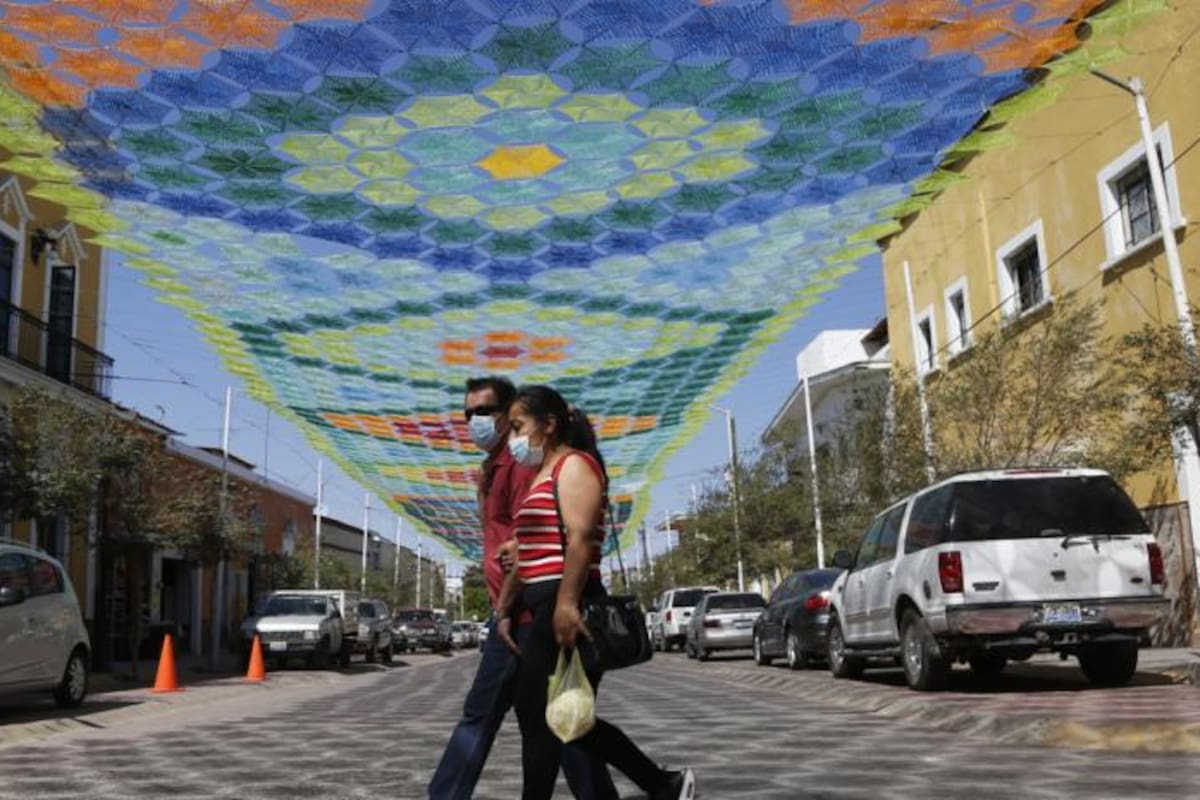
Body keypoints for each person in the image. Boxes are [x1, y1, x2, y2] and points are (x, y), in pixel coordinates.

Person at [497, 385, 696, 800]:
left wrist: (567, 605)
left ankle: (664, 785)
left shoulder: (574, 466)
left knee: (541, 715)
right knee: (563, 720)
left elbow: (582, 537)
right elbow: (538, 548)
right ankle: (665, 785)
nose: (512, 438)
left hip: (567, 601)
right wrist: (506, 603)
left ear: (549, 425)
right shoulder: (544, 475)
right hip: (545, 602)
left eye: (518, 426)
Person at [428, 376, 617, 800]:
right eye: (467, 413)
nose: (474, 421)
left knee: (491, 716)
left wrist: (518, 608)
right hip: (523, 608)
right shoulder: (494, 469)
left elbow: (545, 541)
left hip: (532, 612)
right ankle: (650, 785)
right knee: (558, 722)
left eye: (485, 412)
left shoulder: (525, 467)